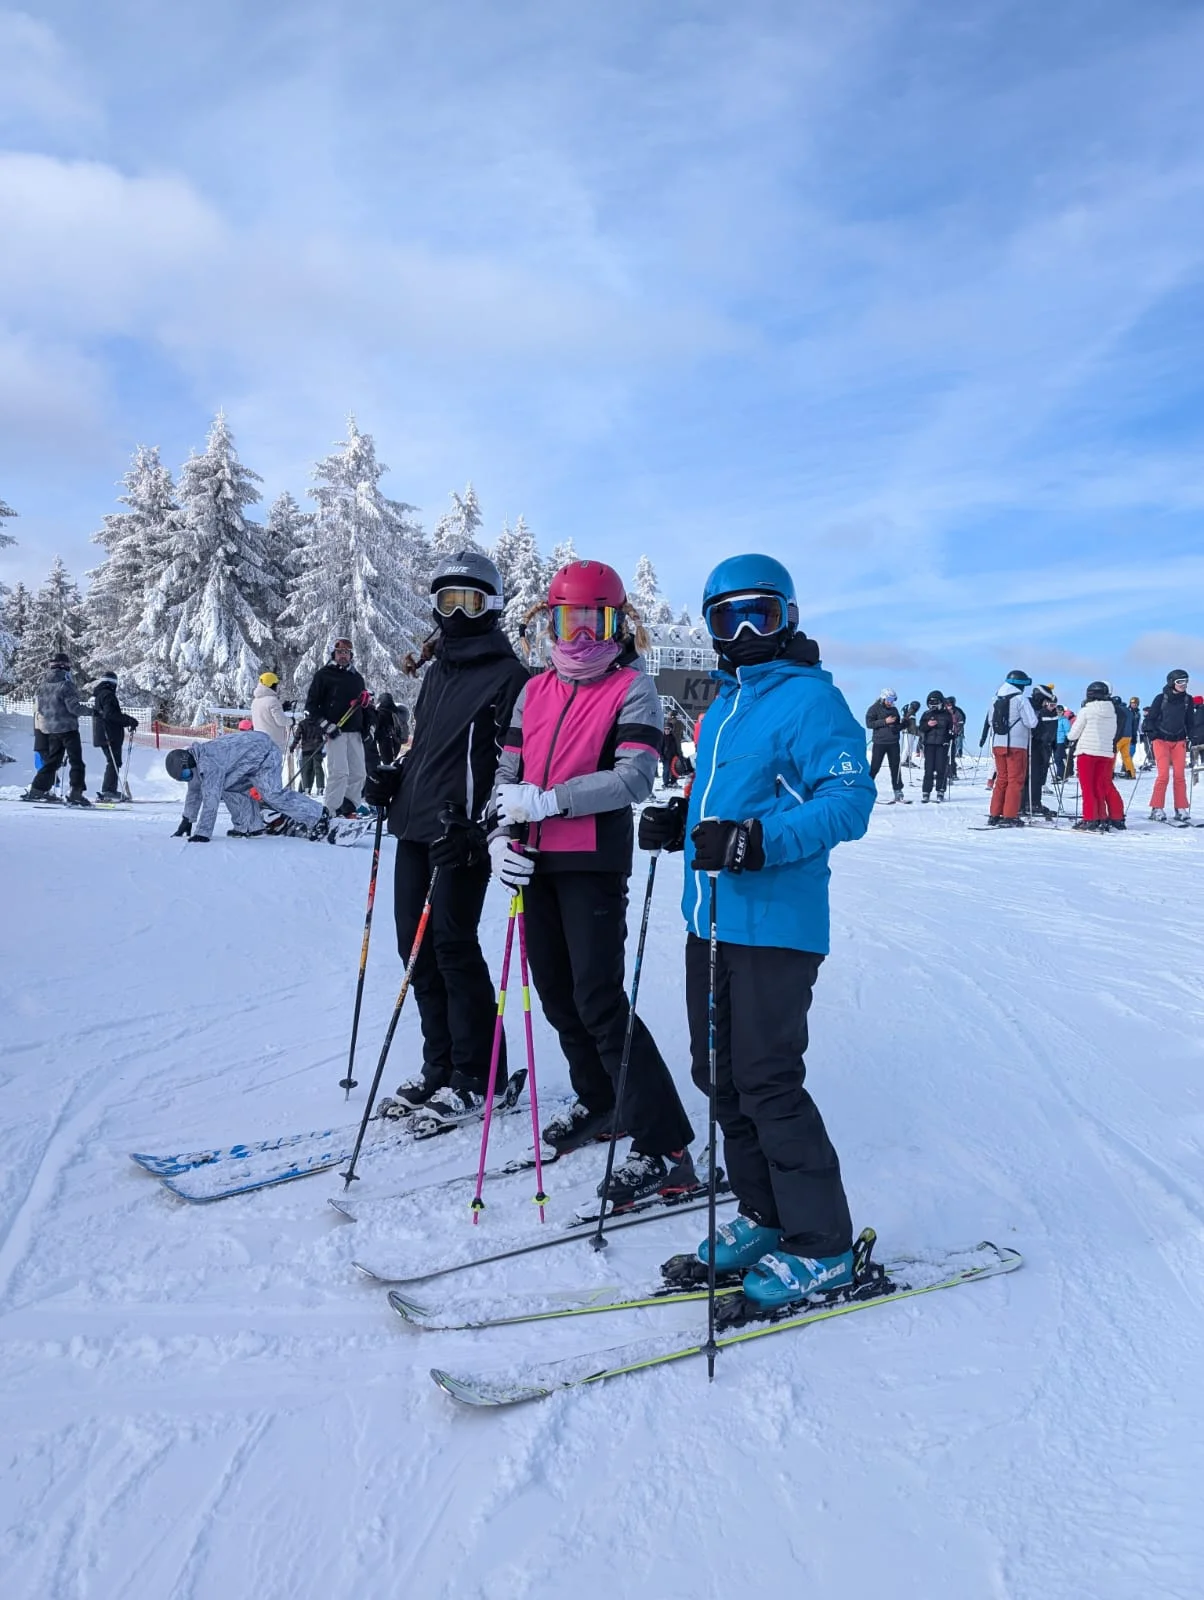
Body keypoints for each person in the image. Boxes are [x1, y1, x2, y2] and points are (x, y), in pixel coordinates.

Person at [639, 553, 875, 1310]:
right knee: (720, 1077)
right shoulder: (723, 707)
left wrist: (755, 841)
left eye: (760, 614)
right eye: (726, 617)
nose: (743, 630)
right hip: (708, 920)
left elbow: (849, 802)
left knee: (769, 1081)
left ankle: (823, 1246)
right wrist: (687, 822)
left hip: (776, 925)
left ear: (789, 618)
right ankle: (764, 1216)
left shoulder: (812, 702)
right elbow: (729, 796)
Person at [487, 558, 697, 1207]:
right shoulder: (533, 691)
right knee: (556, 997)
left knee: (598, 998)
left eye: (595, 622)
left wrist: (550, 802)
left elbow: (636, 777)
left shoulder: (633, 688)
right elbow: (506, 773)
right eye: (567, 621)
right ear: (550, 620)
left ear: (618, 623)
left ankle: (666, 1147)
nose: (580, 637)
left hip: (592, 861)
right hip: (534, 860)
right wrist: (498, 836)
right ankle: (603, 1102)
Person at [364, 549, 529, 1122]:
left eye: (470, 601)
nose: (457, 614)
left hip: (461, 835)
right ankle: (440, 1066)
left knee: (454, 947)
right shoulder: (437, 672)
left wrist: (482, 826)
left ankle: (479, 1073)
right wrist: (395, 778)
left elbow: (512, 765)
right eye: (446, 602)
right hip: (414, 826)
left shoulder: (510, 676)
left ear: (494, 607)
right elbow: (431, 749)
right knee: (415, 952)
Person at [166, 729, 327, 841]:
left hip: (265, 754)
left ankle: (318, 815)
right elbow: (194, 791)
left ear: (188, 761)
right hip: (245, 763)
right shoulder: (194, 764)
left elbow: (211, 801)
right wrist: (187, 820)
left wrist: (202, 833)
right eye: (183, 778)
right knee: (229, 788)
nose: (188, 778)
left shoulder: (208, 763)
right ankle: (250, 826)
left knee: (272, 794)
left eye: (187, 774)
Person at [304, 637, 369, 817]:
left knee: (359, 773)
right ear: (334, 654)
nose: (343, 656)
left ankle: (349, 808)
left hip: (354, 731)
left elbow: (364, 705)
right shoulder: (324, 675)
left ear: (351, 655)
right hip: (335, 732)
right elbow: (310, 706)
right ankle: (330, 811)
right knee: (339, 772)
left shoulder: (356, 678)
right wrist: (326, 725)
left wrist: (367, 724)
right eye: (340, 652)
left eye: (346, 653)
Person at [21, 653, 91, 806]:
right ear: (64, 666)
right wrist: (93, 711)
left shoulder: (43, 685)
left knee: (53, 762)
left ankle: (37, 789)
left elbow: (40, 708)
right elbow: (74, 708)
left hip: (51, 729)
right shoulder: (66, 684)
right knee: (76, 761)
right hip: (68, 728)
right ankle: (76, 793)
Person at [1068, 681, 1125, 832]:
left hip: (1087, 752)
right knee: (1100, 787)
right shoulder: (1112, 712)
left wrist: (1069, 737)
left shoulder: (1086, 710)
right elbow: (1113, 733)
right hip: (1106, 753)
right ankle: (1101, 817)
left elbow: (1074, 734)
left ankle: (1090, 819)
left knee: (1088, 788)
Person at [985, 669, 1039, 826]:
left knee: (1001, 779)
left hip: (998, 743)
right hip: (1017, 745)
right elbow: (1031, 722)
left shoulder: (994, 698)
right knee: (1015, 780)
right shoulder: (1020, 698)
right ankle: (1009, 815)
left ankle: (994, 814)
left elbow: (990, 721)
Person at [1145, 668, 1193, 822]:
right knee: (1163, 775)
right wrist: (1151, 732)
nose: (1183, 684)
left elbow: (1190, 721)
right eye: (1180, 682)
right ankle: (1157, 808)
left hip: (1179, 740)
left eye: (1186, 681)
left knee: (1180, 776)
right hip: (1161, 740)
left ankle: (1180, 808)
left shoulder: (1187, 700)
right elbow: (1150, 718)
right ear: (1172, 682)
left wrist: (1193, 737)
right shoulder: (1161, 698)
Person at [91, 669, 138, 801]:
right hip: (109, 734)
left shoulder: (100, 694)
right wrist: (129, 720)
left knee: (113, 762)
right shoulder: (108, 695)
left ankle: (109, 789)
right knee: (113, 761)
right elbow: (111, 715)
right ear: (113, 684)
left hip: (104, 733)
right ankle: (108, 790)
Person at [1023, 683, 1059, 819]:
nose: (1046, 703)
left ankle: (1030, 802)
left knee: (1036, 775)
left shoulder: (1037, 707)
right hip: (1033, 745)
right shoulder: (1031, 706)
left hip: (1039, 745)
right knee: (1033, 774)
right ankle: (1030, 802)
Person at [865, 690, 906, 803]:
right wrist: (885, 721)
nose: (891, 703)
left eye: (893, 700)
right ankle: (866, 790)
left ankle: (898, 791)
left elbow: (896, 725)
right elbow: (869, 724)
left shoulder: (894, 709)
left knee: (895, 767)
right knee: (875, 767)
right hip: (880, 742)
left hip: (893, 742)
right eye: (889, 700)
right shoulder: (874, 708)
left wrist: (903, 724)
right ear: (883, 698)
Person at [918, 689, 953, 802]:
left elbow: (951, 729)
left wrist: (951, 735)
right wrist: (928, 725)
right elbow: (921, 728)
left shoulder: (947, 715)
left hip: (942, 745)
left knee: (941, 768)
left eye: (935, 703)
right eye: (931, 703)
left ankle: (940, 790)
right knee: (928, 769)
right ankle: (926, 792)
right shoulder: (926, 714)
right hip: (929, 745)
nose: (933, 706)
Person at [250, 672, 289, 754]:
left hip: (260, 741)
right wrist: (292, 720)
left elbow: (266, 714)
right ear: (271, 685)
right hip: (274, 742)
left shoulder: (255, 702)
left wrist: (282, 708)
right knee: (274, 766)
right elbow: (281, 721)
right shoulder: (273, 701)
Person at [290, 713, 326, 795]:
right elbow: (325, 733)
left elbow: (297, 736)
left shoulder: (302, 723)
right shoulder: (319, 723)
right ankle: (320, 787)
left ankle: (307, 788)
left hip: (306, 749)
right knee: (318, 768)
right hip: (317, 748)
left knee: (307, 769)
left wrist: (293, 746)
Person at [372, 692, 409, 766]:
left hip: (385, 741)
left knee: (387, 764)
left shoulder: (380, 713)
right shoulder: (397, 712)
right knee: (392, 762)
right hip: (397, 740)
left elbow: (376, 729)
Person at [1115, 696, 1140, 779]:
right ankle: (1131, 773)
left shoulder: (1117, 710)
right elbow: (1134, 725)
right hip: (1128, 736)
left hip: (1120, 736)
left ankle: (1109, 773)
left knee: (1113, 754)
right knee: (1126, 756)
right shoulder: (1129, 712)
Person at [944, 695, 966, 780]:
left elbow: (961, 722)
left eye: (949, 704)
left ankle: (953, 773)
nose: (948, 706)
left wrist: (956, 731)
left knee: (951, 756)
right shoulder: (944, 711)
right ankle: (943, 772)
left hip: (953, 736)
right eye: (947, 704)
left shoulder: (957, 712)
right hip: (944, 736)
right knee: (943, 756)